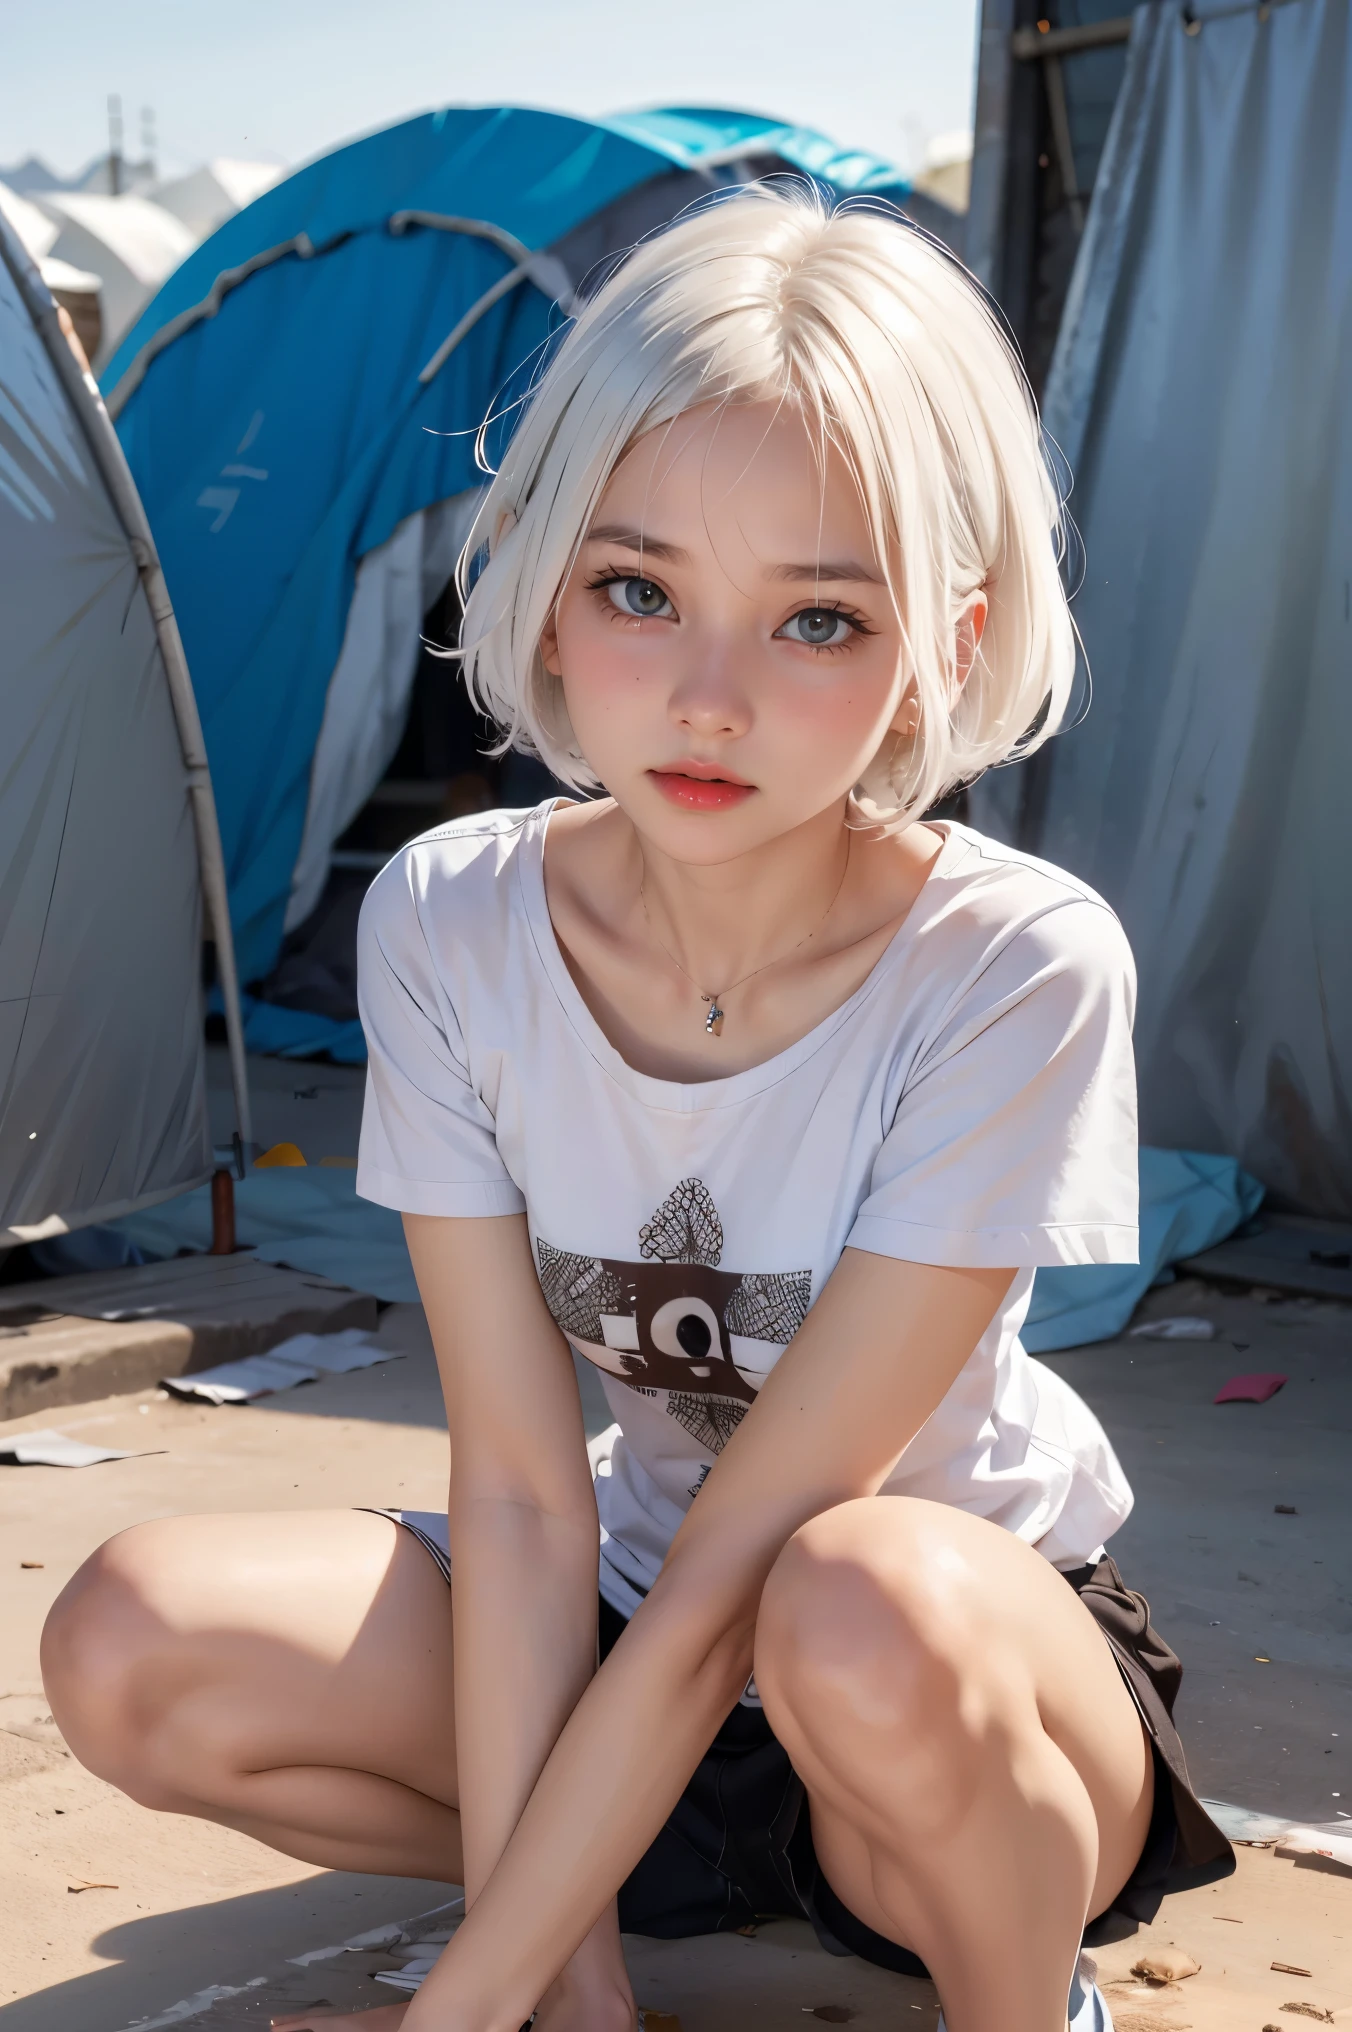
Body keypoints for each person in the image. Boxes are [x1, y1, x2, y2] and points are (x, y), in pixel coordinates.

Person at [40, 184, 1232, 2032]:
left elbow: (760, 1556)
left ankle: (1016, 1995)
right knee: (134, 1643)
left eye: (818, 620)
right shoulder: (452, 918)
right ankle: (596, 1915)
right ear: (539, 568)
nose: (703, 694)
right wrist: (554, 1993)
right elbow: (519, 1499)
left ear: (945, 636)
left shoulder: (1013, 965)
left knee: (853, 1598)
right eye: (637, 587)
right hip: (631, 1623)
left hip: (953, 1666)